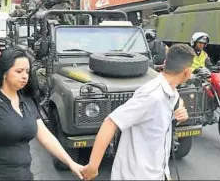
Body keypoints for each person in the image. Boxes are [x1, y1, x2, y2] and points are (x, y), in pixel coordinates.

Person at [0, 48, 84, 180]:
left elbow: (45, 136)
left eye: (27, 71)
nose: (25, 76)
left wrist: (71, 163)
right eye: (19, 71)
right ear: (4, 72)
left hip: (24, 176)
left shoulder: (27, 99)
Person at [81, 44, 194, 180]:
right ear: (187, 72)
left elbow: (174, 99)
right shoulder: (151, 95)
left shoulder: (170, 91)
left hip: (158, 173)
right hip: (137, 175)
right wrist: (93, 167)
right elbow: (110, 123)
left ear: (165, 63)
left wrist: (179, 110)